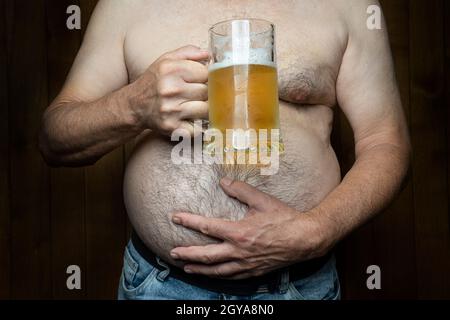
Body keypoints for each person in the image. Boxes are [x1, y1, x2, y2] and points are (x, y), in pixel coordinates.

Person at [39, 0, 410, 300]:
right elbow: (55, 139)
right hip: (160, 286)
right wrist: (133, 106)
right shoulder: (126, 5)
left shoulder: (347, 6)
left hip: (297, 287)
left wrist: (317, 230)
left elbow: (386, 142)